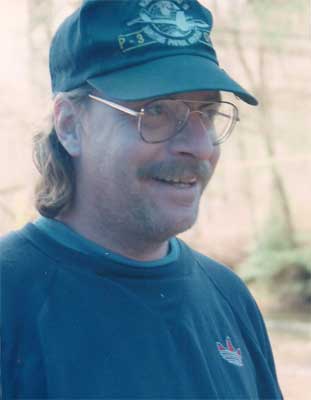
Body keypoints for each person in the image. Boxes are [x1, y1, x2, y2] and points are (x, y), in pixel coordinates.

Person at [1, 0, 283, 398]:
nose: (200, 146)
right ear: (69, 126)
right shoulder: (10, 297)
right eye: (155, 111)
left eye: (208, 111)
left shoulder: (230, 297)